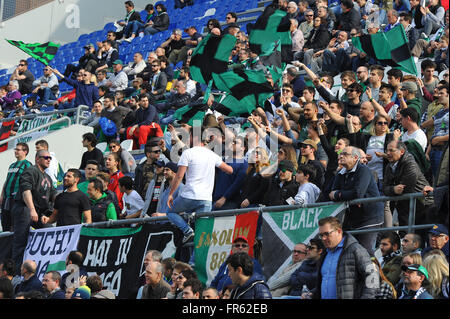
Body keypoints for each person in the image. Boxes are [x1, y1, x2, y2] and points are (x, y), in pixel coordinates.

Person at [166, 132, 233, 243]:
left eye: (190, 136)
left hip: (190, 195)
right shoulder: (211, 154)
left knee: (170, 212)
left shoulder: (188, 153)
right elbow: (229, 170)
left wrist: (171, 194)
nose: (188, 139)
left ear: (195, 137)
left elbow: (179, 176)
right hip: (206, 198)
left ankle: (187, 230)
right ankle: (195, 260)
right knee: (202, 236)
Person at [329, 146, 384, 255]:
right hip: (354, 218)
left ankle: (372, 271)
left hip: (370, 217)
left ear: (355, 158)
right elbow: (331, 192)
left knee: (364, 250)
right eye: (340, 153)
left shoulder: (363, 170)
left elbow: (357, 193)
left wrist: (339, 194)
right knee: (350, 251)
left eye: (345, 154)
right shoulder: (341, 172)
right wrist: (341, 194)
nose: (341, 156)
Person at [11, 150, 57, 273]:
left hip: (38, 212)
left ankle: (43, 268)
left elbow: (54, 195)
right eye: (46, 157)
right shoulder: (31, 170)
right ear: (37, 159)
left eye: (50, 158)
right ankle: (16, 274)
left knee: (50, 231)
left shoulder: (47, 177)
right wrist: (32, 210)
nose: (48, 159)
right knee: (20, 242)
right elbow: (26, 191)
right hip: (25, 208)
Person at [309, 216, 377, 299]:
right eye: (321, 235)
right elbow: (327, 281)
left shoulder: (355, 249)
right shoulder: (325, 253)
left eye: (327, 234)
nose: (323, 238)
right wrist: (313, 293)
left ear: (339, 231)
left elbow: (373, 277)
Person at [382, 140, 434, 239]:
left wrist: (393, 190)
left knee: (422, 237)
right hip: (405, 207)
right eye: (387, 150)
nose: (388, 153)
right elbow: (384, 188)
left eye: (391, 150)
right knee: (405, 238)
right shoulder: (389, 166)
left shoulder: (410, 163)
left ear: (401, 151)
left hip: (423, 205)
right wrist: (394, 189)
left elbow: (407, 188)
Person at [0, 142, 32, 232]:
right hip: (7, 199)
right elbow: (7, 180)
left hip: (17, 199)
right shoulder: (12, 165)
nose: (15, 151)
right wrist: (2, 195)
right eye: (15, 149)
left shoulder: (27, 165)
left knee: (15, 224)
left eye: (18, 150)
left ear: (25, 151)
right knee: (5, 223)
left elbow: (28, 183)